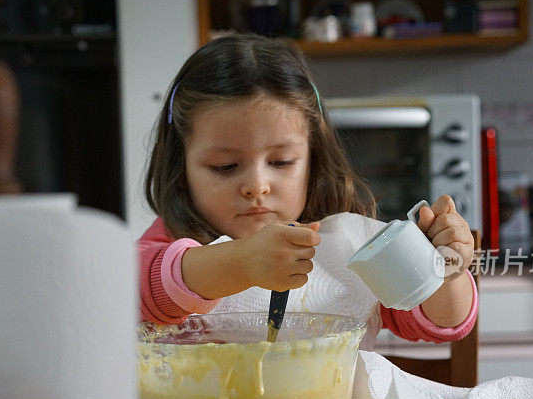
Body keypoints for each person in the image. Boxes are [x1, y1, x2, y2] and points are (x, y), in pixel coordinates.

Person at [138, 33, 477, 349]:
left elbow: (443, 323)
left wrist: (446, 271)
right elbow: (136, 292)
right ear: (181, 169)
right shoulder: (169, 244)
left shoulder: (349, 246)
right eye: (225, 166)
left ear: (314, 162)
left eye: (282, 162)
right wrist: (241, 263)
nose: (257, 185)